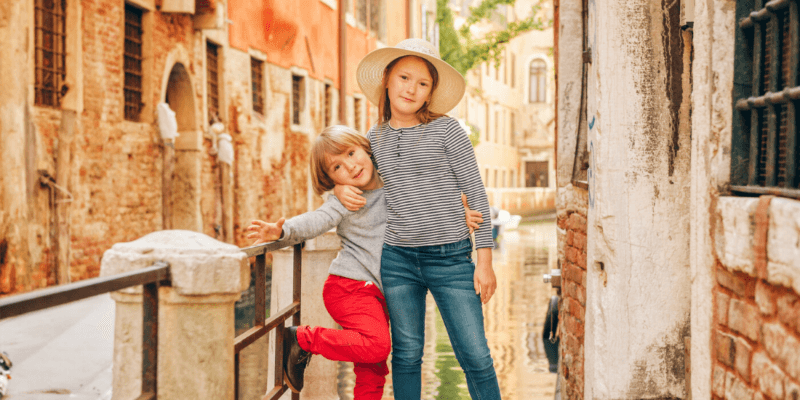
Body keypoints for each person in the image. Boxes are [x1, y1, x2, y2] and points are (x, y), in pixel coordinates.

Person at [246, 125, 482, 400]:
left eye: (351, 153)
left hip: (384, 294)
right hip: (350, 287)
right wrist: (283, 231)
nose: (350, 165)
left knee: (373, 371)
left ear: (366, 149)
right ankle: (302, 339)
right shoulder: (346, 200)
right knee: (377, 347)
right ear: (330, 178)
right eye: (337, 167)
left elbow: (429, 197)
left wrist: (458, 214)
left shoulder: (396, 181)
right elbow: (317, 220)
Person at [334, 38, 501, 400]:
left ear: (429, 94)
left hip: (451, 259)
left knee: (475, 356)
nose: (411, 89)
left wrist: (484, 261)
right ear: (387, 80)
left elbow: (475, 192)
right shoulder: (372, 139)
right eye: (405, 78)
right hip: (397, 262)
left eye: (422, 83)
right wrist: (336, 191)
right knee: (407, 356)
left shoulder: (447, 130)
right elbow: (355, 178)